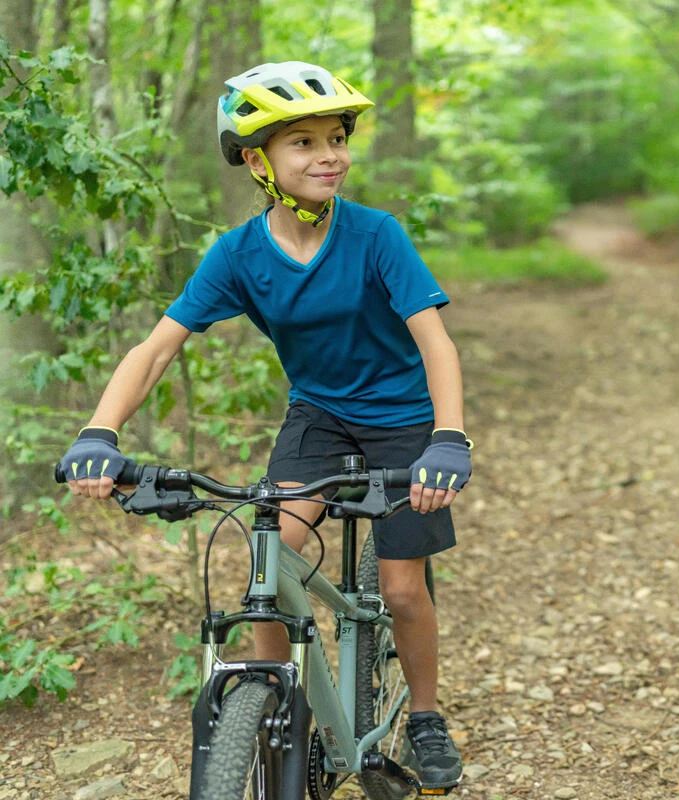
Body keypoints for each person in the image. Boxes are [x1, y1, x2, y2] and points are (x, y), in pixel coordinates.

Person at [59, 60, 470, 790]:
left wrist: (448, 437)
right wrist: (100, 432)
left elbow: (435, 341)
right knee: (269, 554)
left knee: (403, 591)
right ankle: (275, 699)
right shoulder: (239, 255)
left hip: (406, 421)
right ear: (257, 161)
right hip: (319, 416)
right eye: (303, 143)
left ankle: (429, 715)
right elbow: (156, 348)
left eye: (336, 137)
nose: (329, 155)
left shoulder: (377, 236)